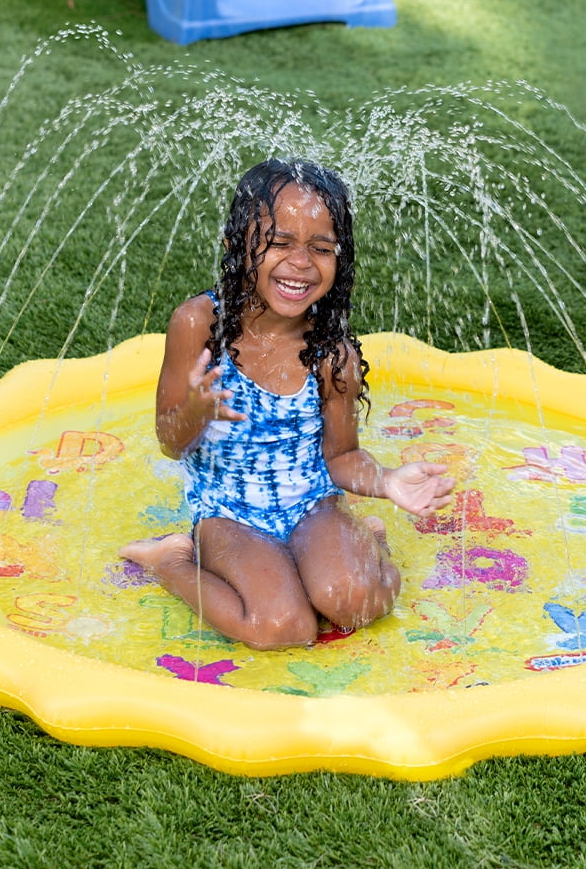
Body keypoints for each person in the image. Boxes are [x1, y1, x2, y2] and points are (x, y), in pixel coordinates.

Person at [121, 159, 454, 650]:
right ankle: (171, 561)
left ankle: (371, 538)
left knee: (353, 600)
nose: (301, 263)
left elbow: (340, 458)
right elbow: (171, 442)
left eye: (321, 249)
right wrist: (197, 408)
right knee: (283, 627)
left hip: (310, 504)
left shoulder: (331, 355)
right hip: (228, 512)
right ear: (238, 246)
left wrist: (385, 481)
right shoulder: (200, 325)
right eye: (279, 243)